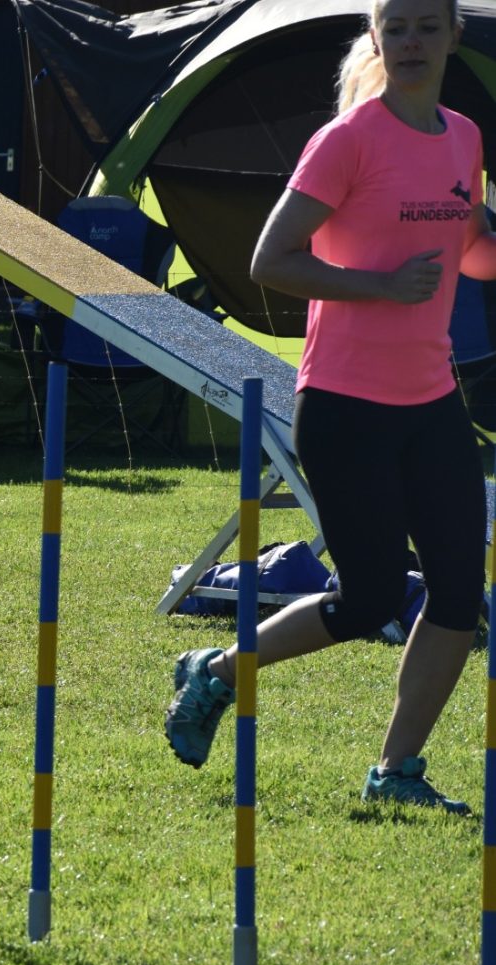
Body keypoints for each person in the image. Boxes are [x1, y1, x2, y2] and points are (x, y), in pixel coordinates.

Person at [165, 0, 496, 812]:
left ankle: (395, 772)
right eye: (397, 28)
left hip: (431, 401)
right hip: (345, 406)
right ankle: (218, 672)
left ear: (454, 36)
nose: (411, 42)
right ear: (377, 38)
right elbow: (270, 260)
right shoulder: (346, 140)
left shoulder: (462, 137)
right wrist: (378, 286)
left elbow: (470, 252)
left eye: (427, 27)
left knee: (459, 597)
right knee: (368, 599)